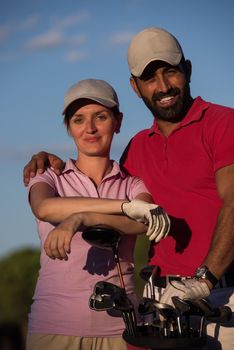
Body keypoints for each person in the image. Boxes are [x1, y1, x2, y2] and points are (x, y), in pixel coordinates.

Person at [23, 28, 234, 349]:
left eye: (170, 71)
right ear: (135, 87)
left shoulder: (223, 122)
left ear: (188, 70)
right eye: (150, 78)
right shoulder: (136, 149)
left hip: (220, 294)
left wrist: (204, 280)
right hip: (158, 304)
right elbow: (116, 201)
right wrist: (49, 160)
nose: (163, 86)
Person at [25, 78, 170, 350]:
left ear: (118, 121)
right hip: (54, 329)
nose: (89, 128)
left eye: (100, 117)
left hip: (122, 330)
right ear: (69, 127)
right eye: (78, 120)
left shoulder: (132, 183)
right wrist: (123, 206)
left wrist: (82, 218)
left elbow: (142, 222)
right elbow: (44, 208)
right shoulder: (49, 176)